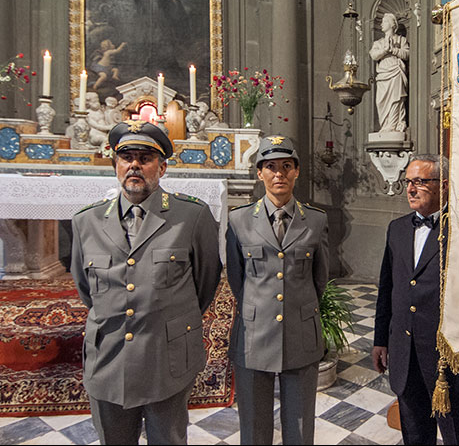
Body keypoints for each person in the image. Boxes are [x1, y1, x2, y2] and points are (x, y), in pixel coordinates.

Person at [71, 120, 222, 445]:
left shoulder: (191, 217)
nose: (135, 165)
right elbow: (86, 288)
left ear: (162, 167)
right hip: (108, 360)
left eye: (145, 158)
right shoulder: (87, 222)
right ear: (115, 164)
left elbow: (206, 282)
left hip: (165, 359)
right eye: (126, 157)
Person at [372, 154, 459, 445]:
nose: (411, 189)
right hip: (406, 354)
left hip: (449, 361)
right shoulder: (398, 229)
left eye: (420, 182)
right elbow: (387, 289)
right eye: (408, 182)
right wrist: (381, 340)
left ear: (442, 185)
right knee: (414, 435)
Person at [225, 135, 329, 445]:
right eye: (270, 167)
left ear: (297, 171)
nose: (278, 174)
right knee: (255, 426)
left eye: (286, 166)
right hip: (253, 336)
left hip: (300, 334)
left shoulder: (316, 221)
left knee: (299, 426)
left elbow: (319, 278)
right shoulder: (238, 220)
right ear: (259, 173)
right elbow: (236, 278)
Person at [369, 12, 409, 133]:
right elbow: (373, 55)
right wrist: (384, 50)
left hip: (396, 73)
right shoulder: (378, 43)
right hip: (383, 75)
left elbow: (407, 54)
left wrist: (393, 50)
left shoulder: (401, 40)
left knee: (395, 100)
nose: (381, 24)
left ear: (392, 24)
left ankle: (392, 126)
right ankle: (385, 125)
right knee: (380, 101)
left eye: (385, 21)